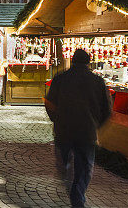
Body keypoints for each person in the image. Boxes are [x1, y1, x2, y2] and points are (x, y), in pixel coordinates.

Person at [44, 48, 111, 208]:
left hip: (63, 130)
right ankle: (77, 194)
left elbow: (49, 103)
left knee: (64, 163)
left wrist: (56, 119)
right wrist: (96, 125)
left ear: (73, 60)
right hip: (86, 132)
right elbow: (107, 110)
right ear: (88, 62)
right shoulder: (98, 81)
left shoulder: (60, 79)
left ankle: (71, 186)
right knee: (84, 168)